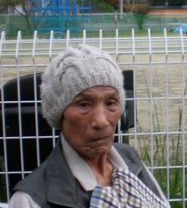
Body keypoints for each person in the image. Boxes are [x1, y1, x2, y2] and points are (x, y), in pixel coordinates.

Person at [9, 44, 170, 208]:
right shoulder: (31, 200)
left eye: (110, 102)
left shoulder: (129, 160)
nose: (101, 121)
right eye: (84, 104)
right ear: (60, 114)